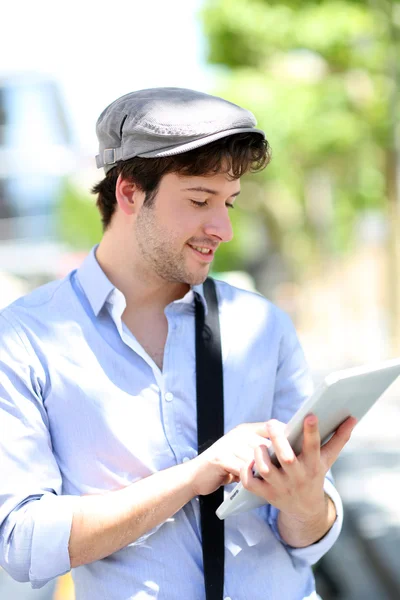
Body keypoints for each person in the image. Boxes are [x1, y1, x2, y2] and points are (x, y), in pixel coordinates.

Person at [0, 87, 356, 600]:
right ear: (128, 193)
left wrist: (304, 502)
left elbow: (305, 543)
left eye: (229, 202)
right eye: (199, 201)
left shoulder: (264, 326)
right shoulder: (25, 339)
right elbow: (23, 542)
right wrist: (194, 476)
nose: (224, 228)